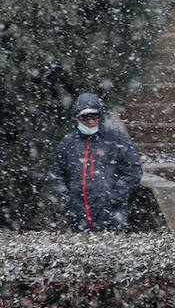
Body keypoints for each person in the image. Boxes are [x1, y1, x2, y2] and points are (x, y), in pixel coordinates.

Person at [48, 92, 143, 232]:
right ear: (77, 118)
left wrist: (113, 196)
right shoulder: (68, 143)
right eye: (85, 118)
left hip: (112, 213)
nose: (91, 122)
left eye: (94, 116)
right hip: (78, 214)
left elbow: (133, 171)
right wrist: (67, 201)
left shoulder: (116, 139)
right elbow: (56, 174)